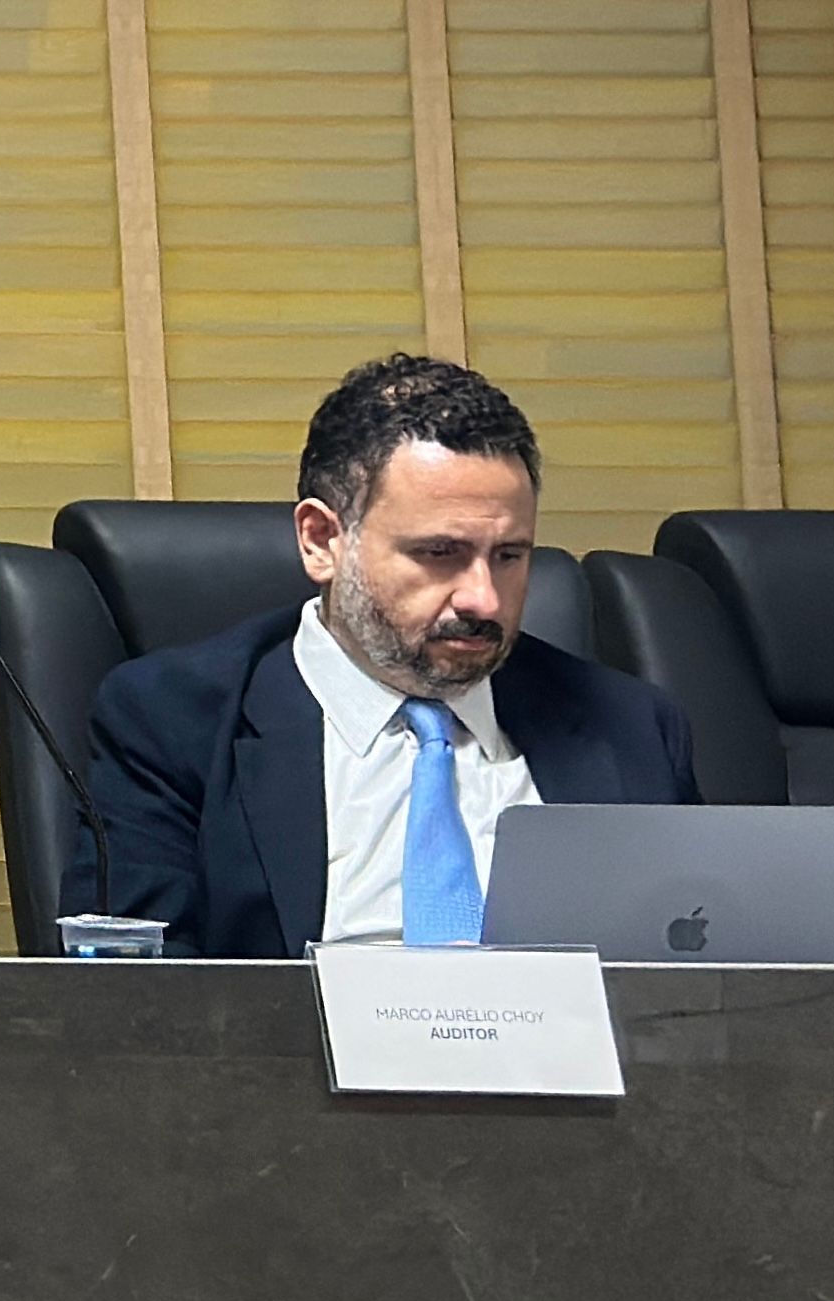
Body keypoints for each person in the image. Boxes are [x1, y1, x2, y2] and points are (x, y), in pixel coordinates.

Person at [87, 354, 701, 956]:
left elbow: (697, 976)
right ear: (322, 541)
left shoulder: (631, 725)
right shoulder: (172, 721)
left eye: (510, 556)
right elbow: (138, 993)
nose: (484, 599)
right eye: (440, 553)